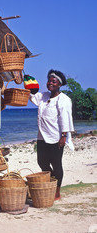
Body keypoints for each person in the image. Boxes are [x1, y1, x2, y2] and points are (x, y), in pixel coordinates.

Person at [30, 69, 74, 200]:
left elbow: (65, 118)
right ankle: (51, 183)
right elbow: (31, 95)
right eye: (49, 80)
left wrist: (64, 136)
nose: (50, 83)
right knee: (41, 162)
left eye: (53, 81)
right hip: (42, 136)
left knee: (56, 163)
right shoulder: (43, 97)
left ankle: (57, 192)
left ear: (59, 84)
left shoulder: (63, 99)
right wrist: (25, 81)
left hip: (56, 137)